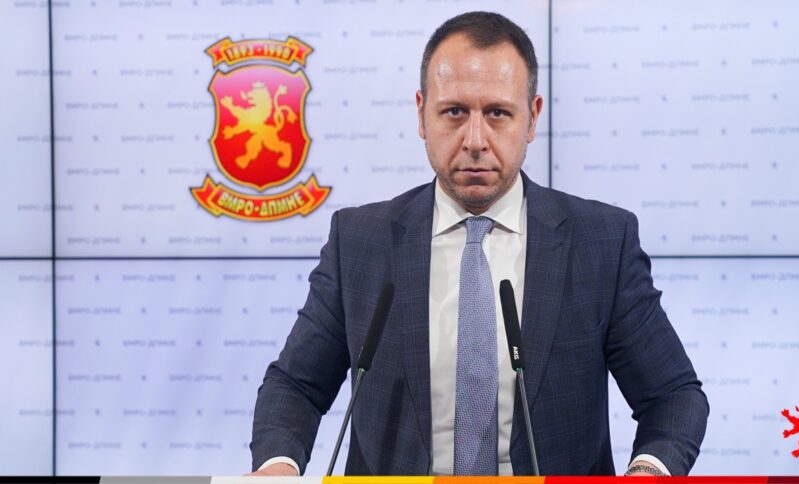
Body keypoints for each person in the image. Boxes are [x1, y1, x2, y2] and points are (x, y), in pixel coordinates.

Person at [249, 11, 708, 477]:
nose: (475, 140)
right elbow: (295, 386)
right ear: (421, 114)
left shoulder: (601, 243)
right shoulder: (360, 242)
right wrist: (276, 467)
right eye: (454, 112)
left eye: (497, 114)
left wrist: (649, 470)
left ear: (532, 117)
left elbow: (672, 396)